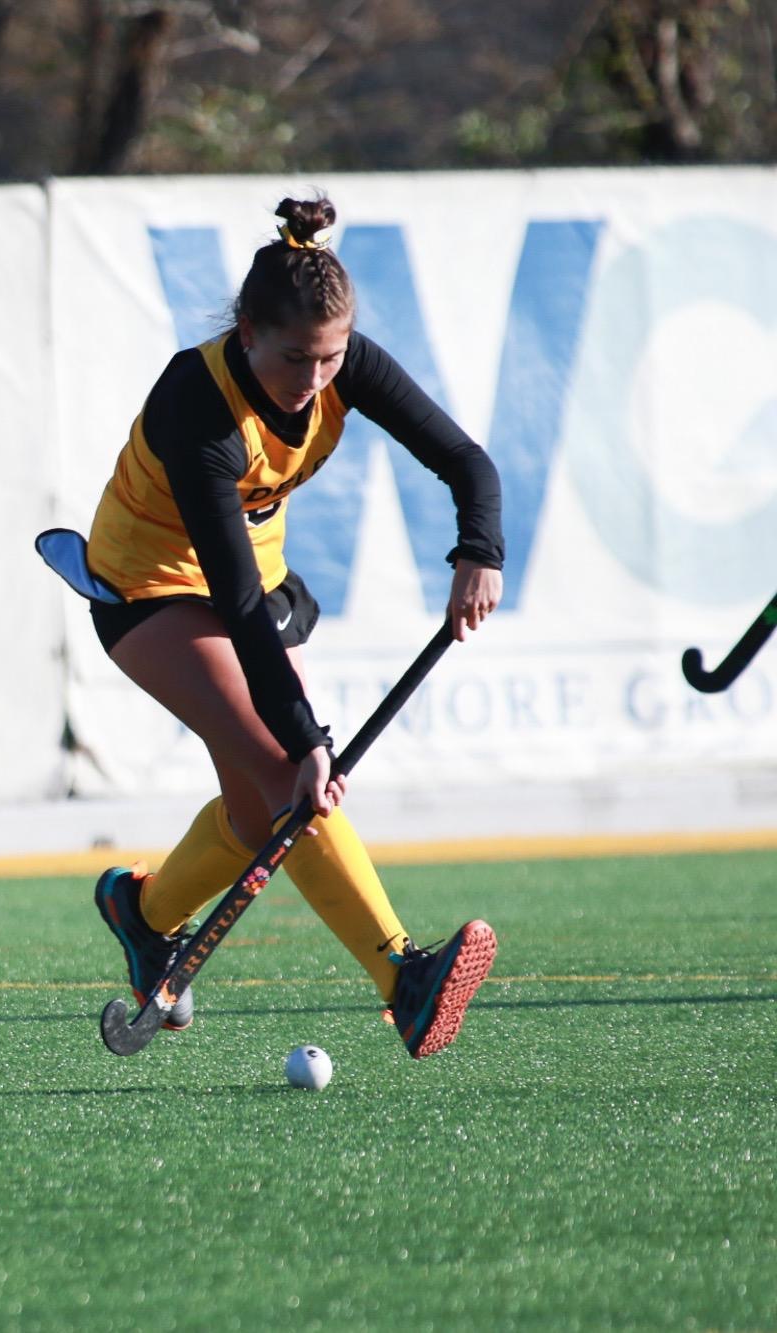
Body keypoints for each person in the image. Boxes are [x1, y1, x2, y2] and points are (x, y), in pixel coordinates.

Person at [77, 195, 501, 1059]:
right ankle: (403, 979)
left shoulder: (340, 362)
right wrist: (304, 737)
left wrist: (478, 550)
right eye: (296, 358)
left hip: (253, 584)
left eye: (331, 356)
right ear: (246, 332)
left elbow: (468, 462)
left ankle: (143, 909)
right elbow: (230, 607)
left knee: (255, 807)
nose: (315, 377)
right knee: (287, 778)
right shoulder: (197, 407)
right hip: (151, 590)